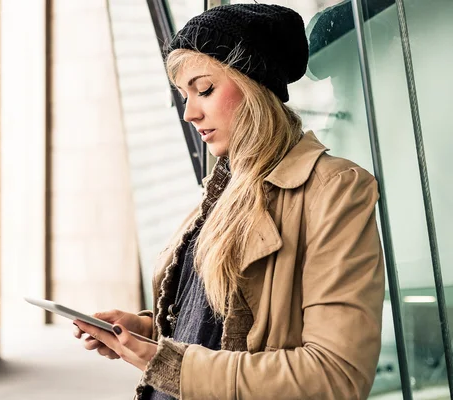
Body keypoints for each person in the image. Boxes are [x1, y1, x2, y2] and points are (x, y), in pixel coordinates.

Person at [73, 4, 385, 399]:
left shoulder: (335, 189)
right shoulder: (221, 191)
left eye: (203, 90)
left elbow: (335, 375)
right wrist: (147, 332)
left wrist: (168, 362)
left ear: (255, 86)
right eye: (183, 96)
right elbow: (218, 328)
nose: (189, 112)